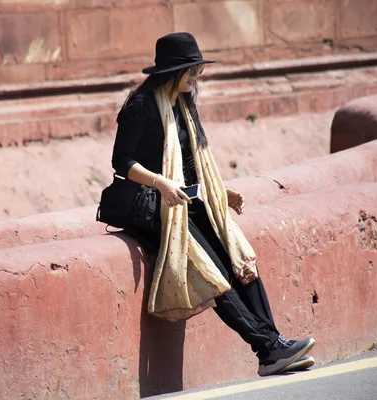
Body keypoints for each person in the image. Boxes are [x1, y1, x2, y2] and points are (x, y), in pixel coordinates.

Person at [110, 32, 316, 376]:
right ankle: (266, 350)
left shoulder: (182, 102)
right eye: (192, 70)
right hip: (153, 208)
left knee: (238, 259)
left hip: (185, 201)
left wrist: (222, 191)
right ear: (173, 71)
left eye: (198, 70)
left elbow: (193, 161)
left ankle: (274, 343)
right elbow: (122, 161)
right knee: (213, 273)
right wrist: (161, 183)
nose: (197, 77)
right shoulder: (142, 104)